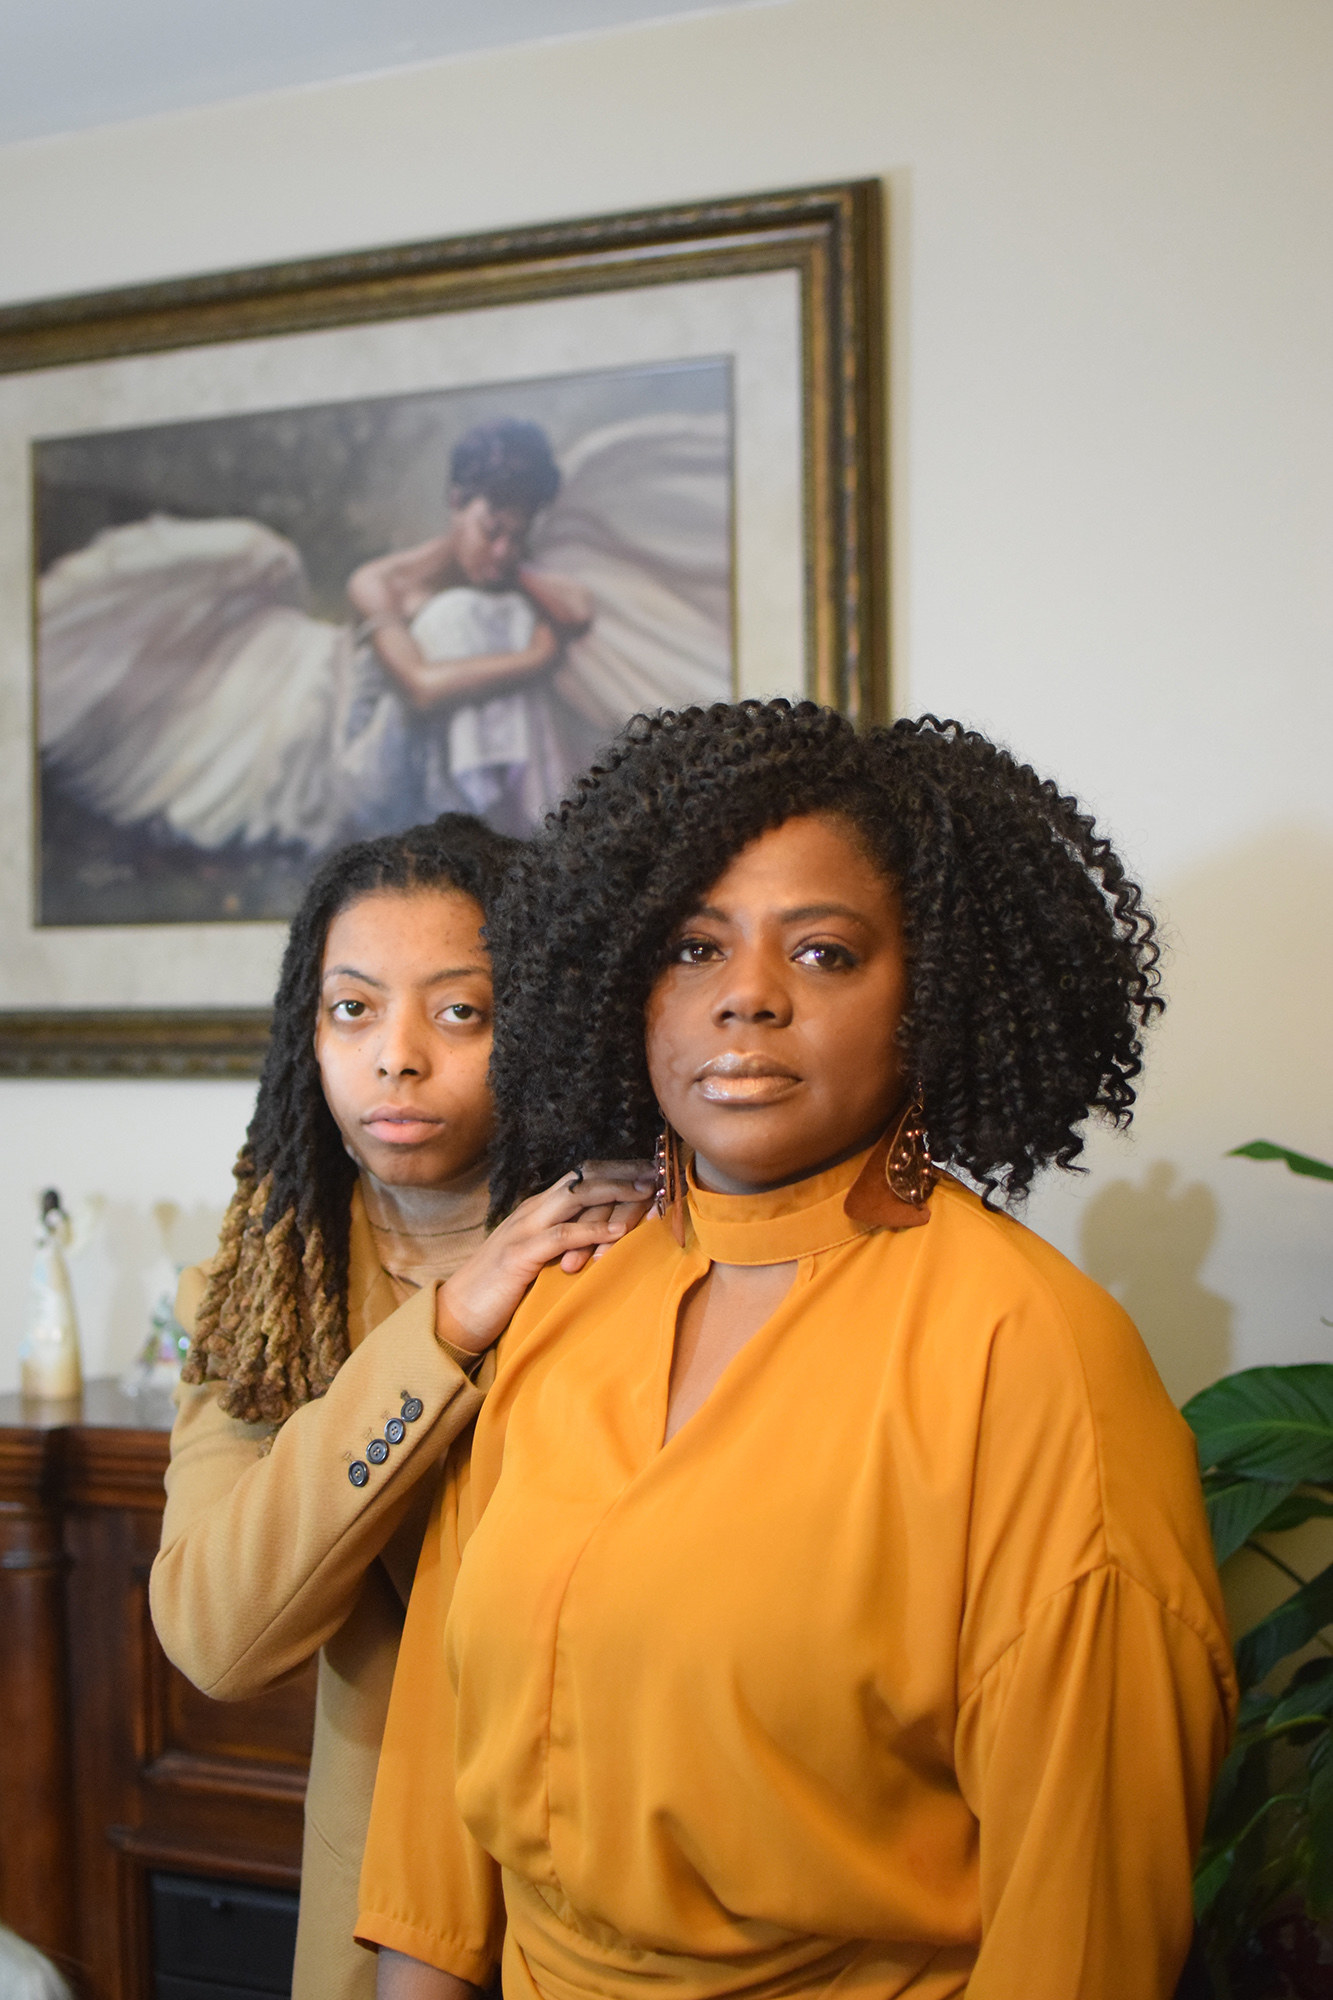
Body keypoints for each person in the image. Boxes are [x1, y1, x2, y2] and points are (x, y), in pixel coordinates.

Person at [357, 703, 1238, 2000]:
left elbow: (1080, 1929)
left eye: (823, 954)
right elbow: (440, 1755)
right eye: (693, 947)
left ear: (932, 985)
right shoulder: (566, 1292)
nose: (747, 997)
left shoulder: (1035, 1360)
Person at [150, 812, 652, 2000]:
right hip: (381, 1888)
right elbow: (217, 1636)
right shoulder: (264, 1293)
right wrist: (444, 1328)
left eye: (460, 1009)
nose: (398, 1056)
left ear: (542, 1022)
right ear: (307, 1034)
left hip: (614, 1863)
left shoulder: (635, 1249)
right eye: (353, 1008)